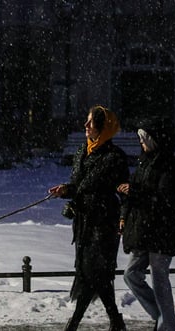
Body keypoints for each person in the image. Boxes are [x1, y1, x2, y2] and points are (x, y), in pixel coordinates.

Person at [49, 105, 130, 331]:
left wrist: (123, 219)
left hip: (105, 222)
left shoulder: (115, 157)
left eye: (91, 123)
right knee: (95, 274)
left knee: (93, 273)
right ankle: (115, 321)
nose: (85, 126)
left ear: (103, 128)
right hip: (83, 222)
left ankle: (73, 324)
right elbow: (79, 186)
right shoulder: (82, 151)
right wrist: (66, 190)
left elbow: (124, 191)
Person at [117, 121, 175, 331]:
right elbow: (136, 193)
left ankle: (166, 325)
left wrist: (135, 192)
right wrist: (124, 216)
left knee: (159, 278)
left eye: (143, 137)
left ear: (155, 140)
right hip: (143, 230)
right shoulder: (144, 163)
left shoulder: (171, 168)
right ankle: (163, 317)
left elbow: (167, 201)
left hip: (161, 231)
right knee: (130, 274)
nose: (140, 141)